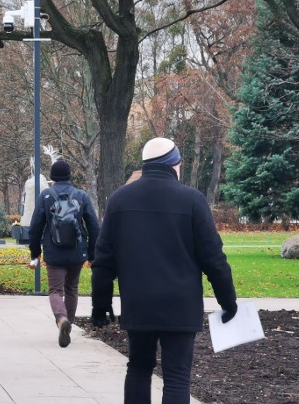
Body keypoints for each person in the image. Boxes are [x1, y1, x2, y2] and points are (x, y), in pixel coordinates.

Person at [91, 137, 238, 404]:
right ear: (175, 165)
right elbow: (214, 258)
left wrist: (100, 305)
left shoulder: (119, 200)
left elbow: (103, 260)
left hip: (139, 302)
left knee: (138, 367)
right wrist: (228, 301)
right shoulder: (192, 200)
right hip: (180, 304)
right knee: (177, 376)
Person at [28, 159, 100, 348]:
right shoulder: (81, 196)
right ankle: (69, 323)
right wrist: (92, 254)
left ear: (52, 176)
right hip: (77, 252)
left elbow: (35, 227)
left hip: (53, 251)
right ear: (69, 175)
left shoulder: (46, 196)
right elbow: (93, 226)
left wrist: (35, 251)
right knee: (71, 289)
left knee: (55, 290)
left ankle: (61, 320)